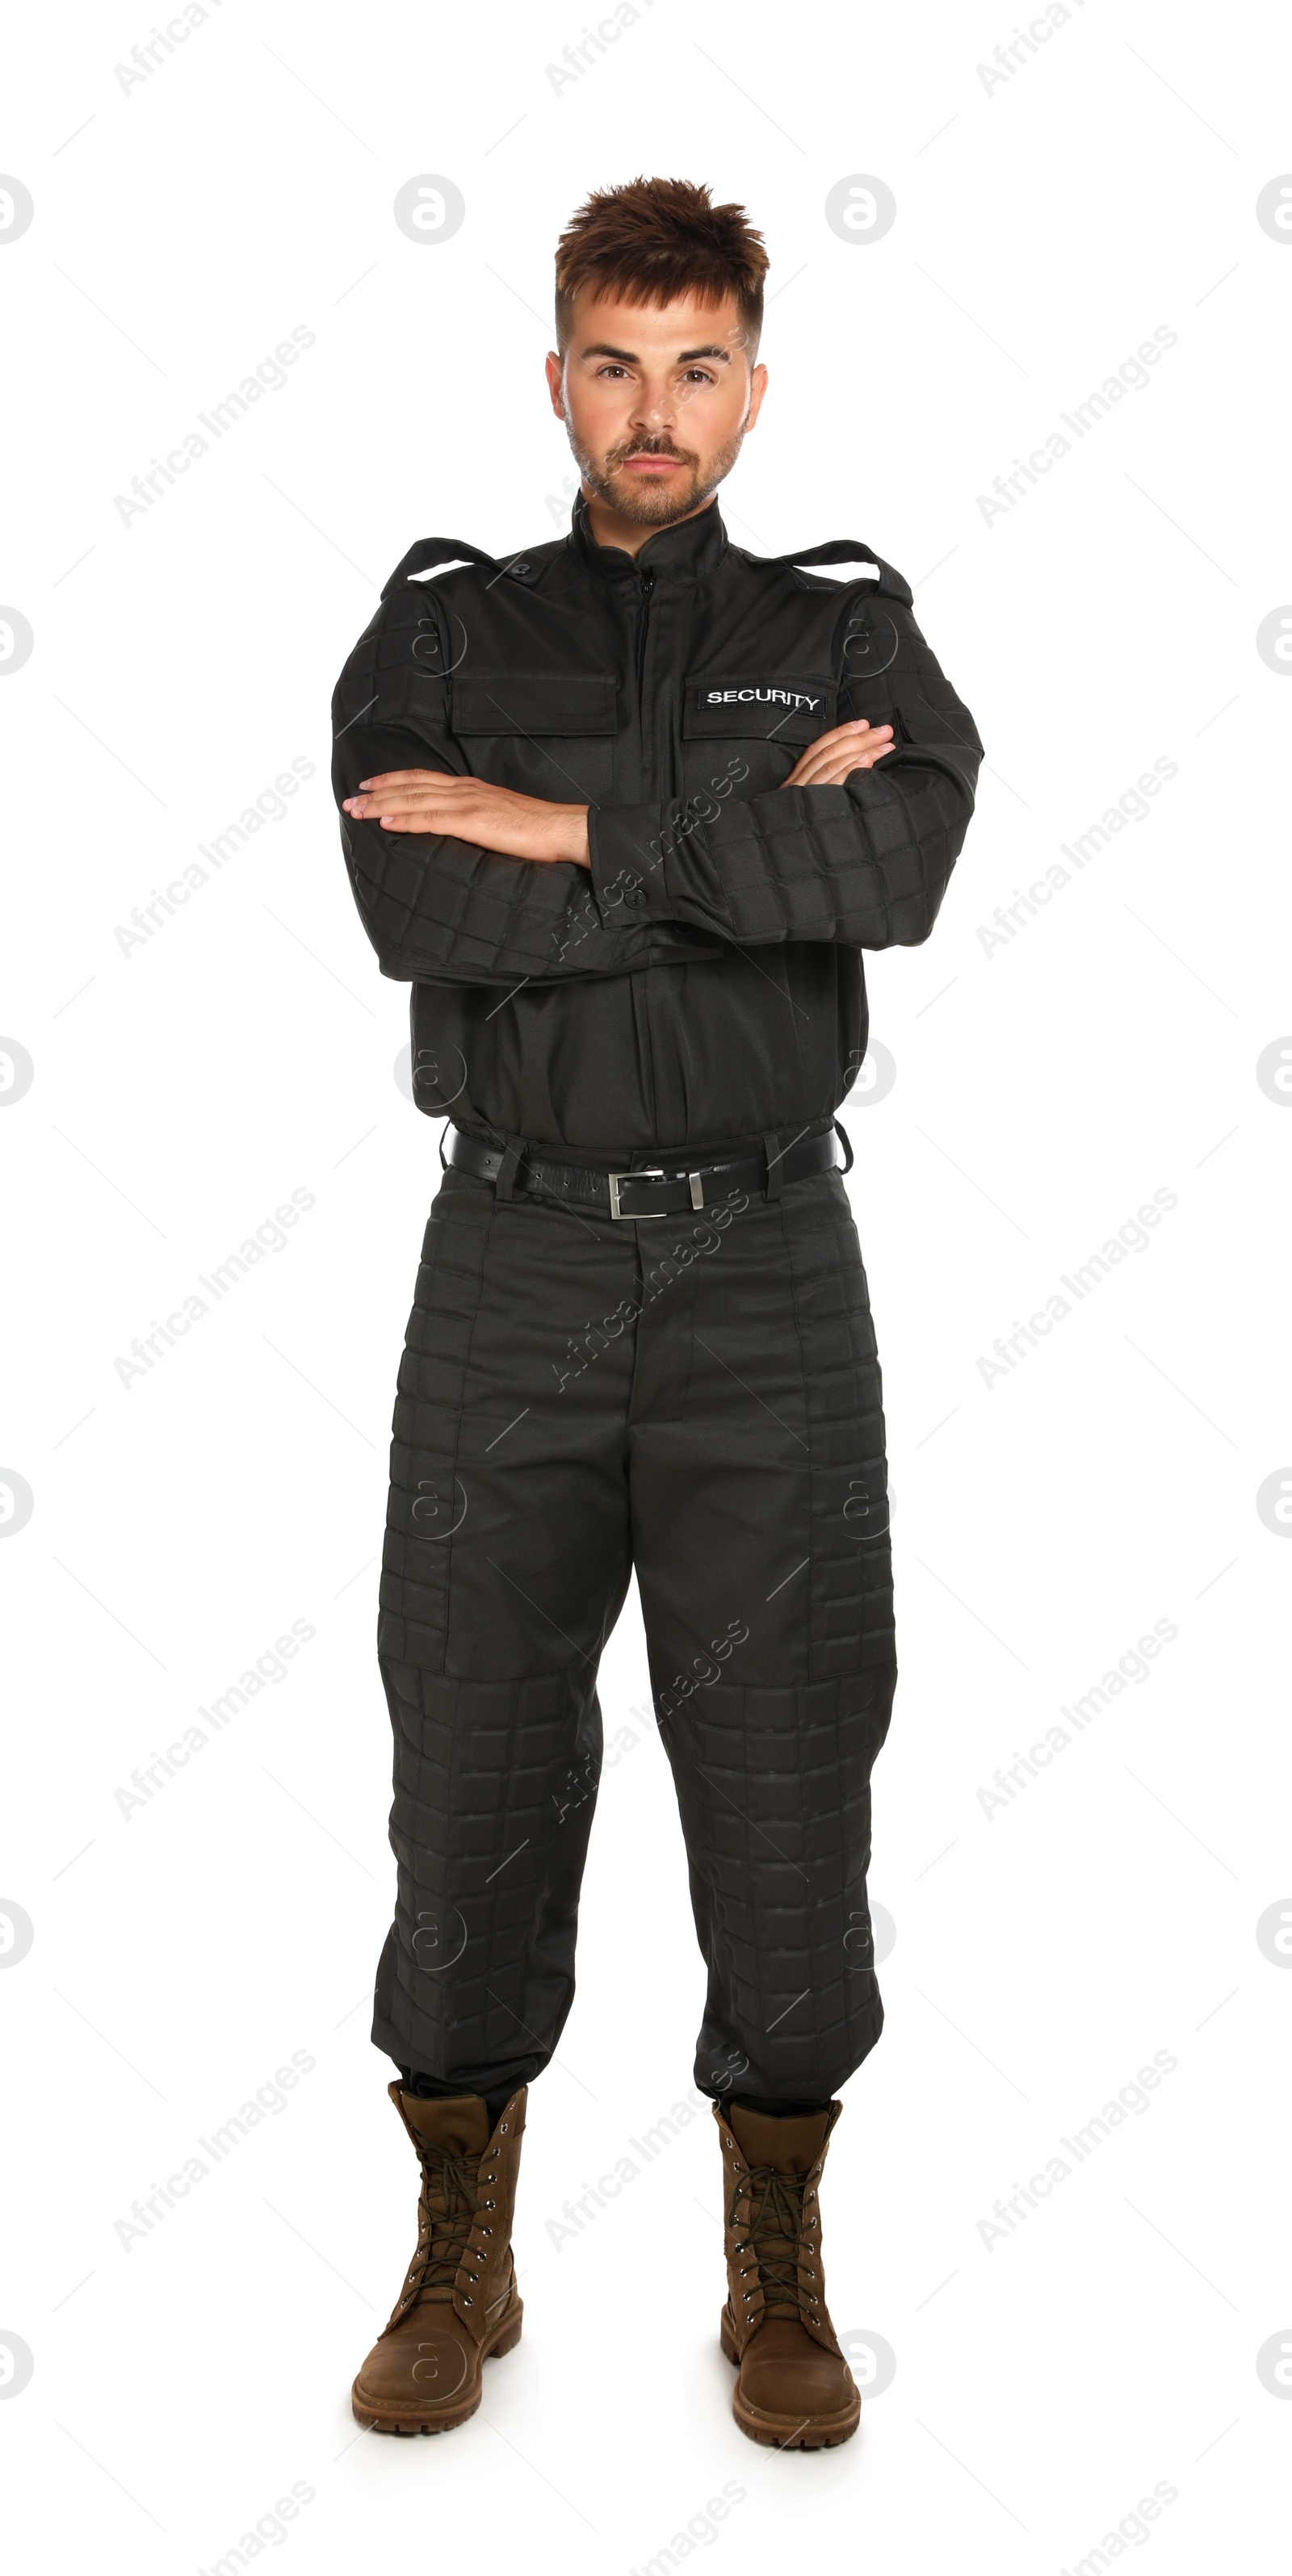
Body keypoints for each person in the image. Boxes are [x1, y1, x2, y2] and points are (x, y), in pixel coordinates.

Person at [331, 174, 982, 2450]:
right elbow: (416, 901)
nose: (655, 407)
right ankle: (457, 2240)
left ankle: (777, 2267)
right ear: (557, 377)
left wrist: (564, 835)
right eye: (616, 360)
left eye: (698, 364)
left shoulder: (849, 624)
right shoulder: (439, 625)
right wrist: (713, 852)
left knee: (792, 1765)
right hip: (508, 1265)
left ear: (752, 388)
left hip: (769, 1277)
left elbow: (896, 859)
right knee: (475, 1744)